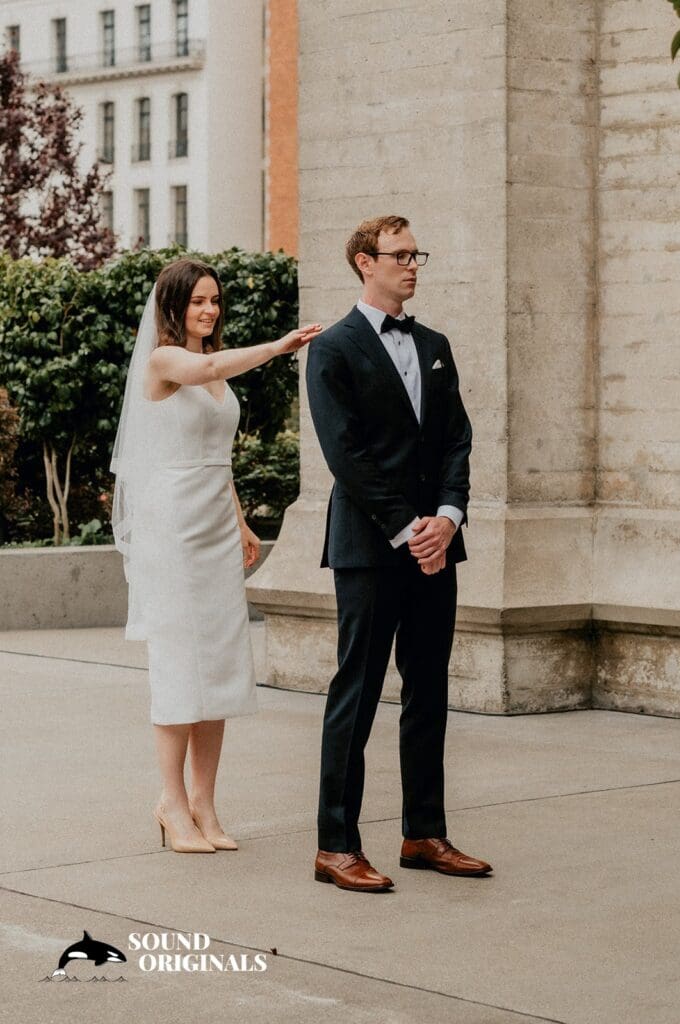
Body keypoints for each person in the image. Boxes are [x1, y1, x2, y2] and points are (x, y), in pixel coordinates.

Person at [306, 215, 492, 892]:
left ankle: (424, 832)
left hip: (436, 548)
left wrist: (446, 518)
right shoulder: (333, 348)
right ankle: (334, 844)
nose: (411, 265)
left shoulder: (436, 345)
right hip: (371, 547)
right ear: (364, 261)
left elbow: (457, 441)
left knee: (429, 689)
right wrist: (407, 527)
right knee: (355, 694)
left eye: (417, 255)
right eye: (399, 255)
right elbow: (344, 453)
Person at [111, 257, 321, 854]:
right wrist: (278, 347)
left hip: (214, 525)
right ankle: (170, 803)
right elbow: (204, 366)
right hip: (172, 529)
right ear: (173, 307)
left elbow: (213, 453)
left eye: (215, 301)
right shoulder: (166, 361)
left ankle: (204, 800)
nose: (210, 310)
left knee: (222, 663)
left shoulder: (213, 373)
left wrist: (241, 520)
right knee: (181, 664)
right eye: (199, 301)